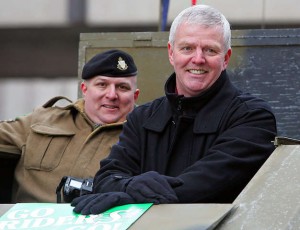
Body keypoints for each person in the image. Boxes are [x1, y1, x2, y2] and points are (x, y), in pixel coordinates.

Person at [71, 5, 277, 215]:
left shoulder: (252, 117)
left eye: (210, 50)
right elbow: (107, 177)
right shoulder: (142, 118)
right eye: (187, 48)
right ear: (171, 53)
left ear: (225, 58)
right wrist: (129, 187)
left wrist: (128, 195)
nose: (198, 59)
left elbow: (205, 184)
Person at [0, 49, 140, 203]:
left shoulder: (146, 136)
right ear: (85, 90)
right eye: (102, 85)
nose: (112, 95)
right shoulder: (41, 120)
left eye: (122, 87)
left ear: (135, 95)